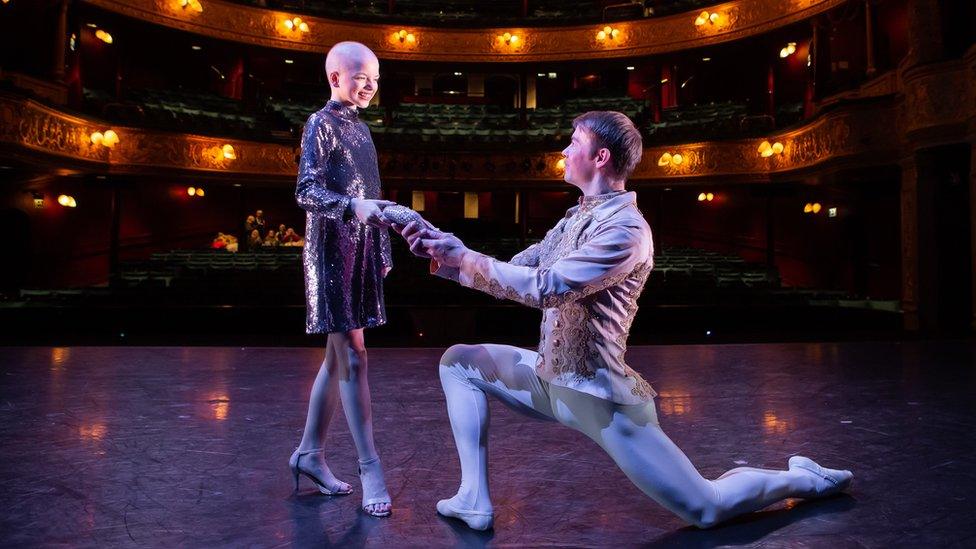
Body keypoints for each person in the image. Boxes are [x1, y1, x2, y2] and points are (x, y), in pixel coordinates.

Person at [399, 111, 853, 531]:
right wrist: (448, 249)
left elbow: (548, 286)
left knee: (707, 507)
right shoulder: (572, 219)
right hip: (549, 380)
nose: (562, 151)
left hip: (600, 399)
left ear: (600, 157)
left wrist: (464, 258)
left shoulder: (626, 230)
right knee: (458, 361)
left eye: (572, 142)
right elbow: (519, 268)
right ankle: (473, 499)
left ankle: (805, 480)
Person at [289, 41, 396, 518]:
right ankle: (369, 466)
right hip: (331, 250)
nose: (370, 84)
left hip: (361, 248)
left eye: (375, 76)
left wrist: (382, 245)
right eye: (360, 76)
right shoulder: (321, 123)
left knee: (337, 362)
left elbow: (370, 193)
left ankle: (309, 454)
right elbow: (306, 190)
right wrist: (351, 208)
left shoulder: (363, 128)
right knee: (353, 354)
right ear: (335, 77)